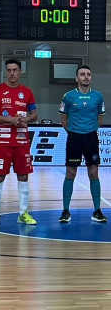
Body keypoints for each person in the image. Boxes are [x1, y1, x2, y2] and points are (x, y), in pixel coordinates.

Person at [0, 58, 37, 226]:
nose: (12, 73)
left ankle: (23, 213)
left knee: (23, 175)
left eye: (15, 70)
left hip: (22, 141)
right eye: (9, 70)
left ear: (21, 71)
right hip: (3, 141)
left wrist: (25, 120)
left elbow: (34, 115)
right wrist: (10, 120)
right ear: (5, 72)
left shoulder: (27, 92)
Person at [58, 65, 106, 223]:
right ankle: (66, 211)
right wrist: (75, 132)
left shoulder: (98, 96)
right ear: (76, 78)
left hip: (91, 138)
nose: (86, 77)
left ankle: (97, 211)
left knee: (94, 174)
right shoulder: (68, 96)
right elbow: (63, 120)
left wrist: (89, 130)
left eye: (88, 74)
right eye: (82, 74)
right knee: (70, 173)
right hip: (74, 139)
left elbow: (100, 119)